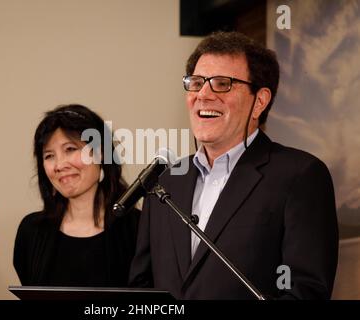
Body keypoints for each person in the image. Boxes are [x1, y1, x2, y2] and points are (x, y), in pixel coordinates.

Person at [129, 31, 339, 299]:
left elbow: (305, 292)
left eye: (222, 83)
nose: (203, 95)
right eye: (196, 82)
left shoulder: (300, 176)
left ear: (259, 101)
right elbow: (141, 289)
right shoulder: (166, 180)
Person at [13, 104, 139, 287]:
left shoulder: (138, 229)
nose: (59, 164)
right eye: (49, 156)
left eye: (70, 149)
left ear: (101, 153)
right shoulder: (31, 231)